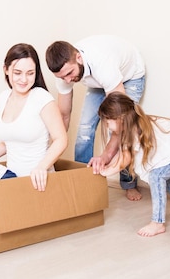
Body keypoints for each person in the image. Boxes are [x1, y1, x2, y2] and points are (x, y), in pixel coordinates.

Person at [45, 34, 146, 200]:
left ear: (78, 57)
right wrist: (51, 154)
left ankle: (129, 184)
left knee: (125, 127)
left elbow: (119, 124)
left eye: (70, 73)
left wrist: (105, 158)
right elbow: (63, 116)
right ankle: (83, 183)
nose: (68, 80)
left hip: (130, 76)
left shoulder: (102, 63)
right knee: (84, 130)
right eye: (62, 77)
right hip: (98, 81)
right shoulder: (65, 75)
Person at [94, 92, 170, 237]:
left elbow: (124, 159)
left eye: (108, 122)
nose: (107, 126)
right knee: (168, 183)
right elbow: (120, 154)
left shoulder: (135, 130)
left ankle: (158, 223)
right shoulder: (130, 127)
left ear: (121, 119)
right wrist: (107, 166)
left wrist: (106, 172)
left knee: (156, 177)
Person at [0, 43, 68, 192]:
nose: (24, 79)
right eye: (17, 72)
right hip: (12, 181)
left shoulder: (41, 98)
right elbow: (10, 140)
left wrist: (41, 167)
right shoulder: (3, 97)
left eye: (30, 73)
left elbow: (61, 139)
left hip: (39, 181)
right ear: (6, 70)